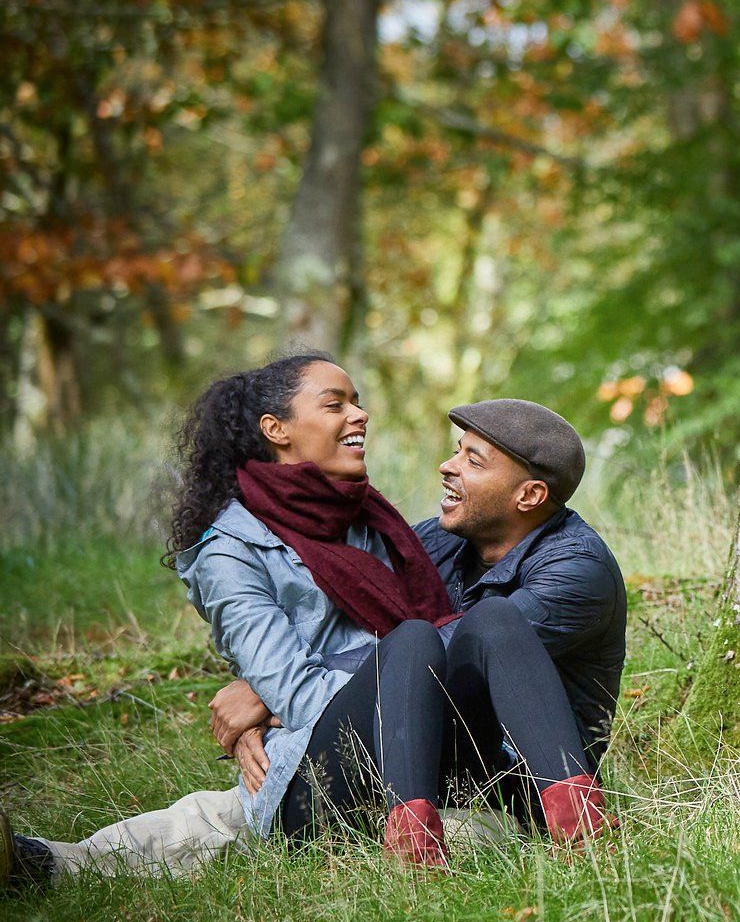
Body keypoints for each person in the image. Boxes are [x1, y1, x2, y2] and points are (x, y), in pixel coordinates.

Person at [7, 360, 626, 885]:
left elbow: (445, 645)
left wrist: (267, 694)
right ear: (275, 430)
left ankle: (577, 824)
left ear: (528, 497)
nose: (445, 466)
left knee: (473, 628)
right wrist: (278, 689)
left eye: (473, 460)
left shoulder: (572, 569)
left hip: (485, 764)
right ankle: (45, 864)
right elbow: (396, 652)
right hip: (356, 752)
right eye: (337, 404)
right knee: (219, 816)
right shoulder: (416, 538)